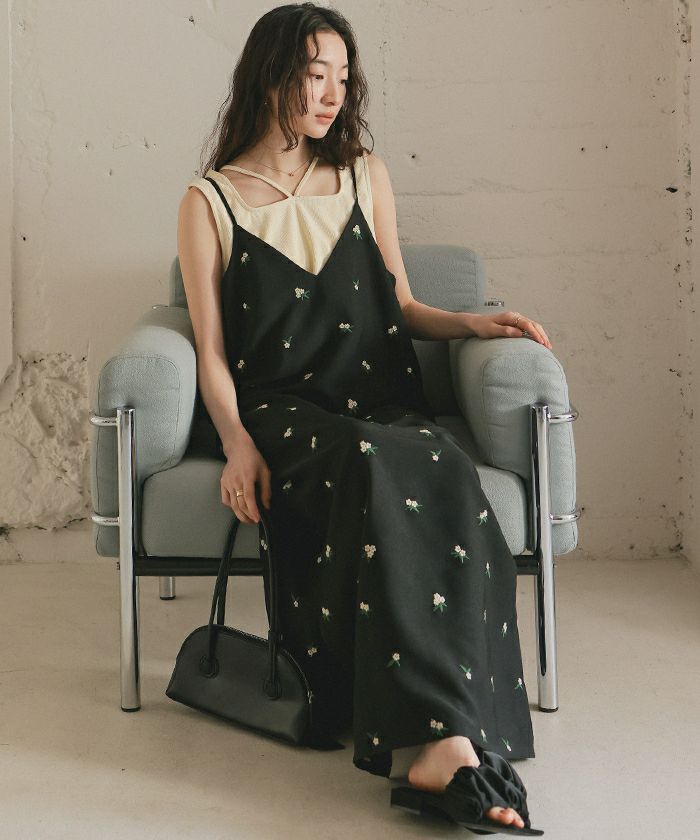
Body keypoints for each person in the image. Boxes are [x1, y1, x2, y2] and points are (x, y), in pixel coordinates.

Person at [178, 3, 550, 834]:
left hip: (378, 402)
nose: (331, 94)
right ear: (270, 76)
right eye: (315, 74)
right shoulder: (211, 202)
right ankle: (441, 748)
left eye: (343, 79)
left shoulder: (362, 174)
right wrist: (237, 444)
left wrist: (474, 324)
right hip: (285, 414)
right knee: (374, 460)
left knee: (438, 462)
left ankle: (443, 742)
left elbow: (402, 304)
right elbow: (211, 352)